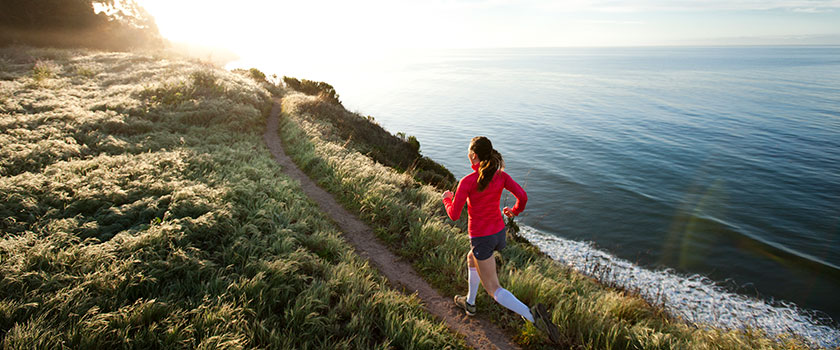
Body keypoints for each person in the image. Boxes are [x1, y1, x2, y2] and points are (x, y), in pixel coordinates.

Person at [442, 136, 560, 343]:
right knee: (472, 259)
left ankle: (534, 318)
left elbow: (453, 215)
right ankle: (469, 303)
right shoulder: (501, 177)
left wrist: (446, 199)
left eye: (469, 151)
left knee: (493, 288)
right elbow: (522, 196)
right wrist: (514, 212)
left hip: (482, 238)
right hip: (499, 233)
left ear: (474, 155)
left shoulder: (468, 182)